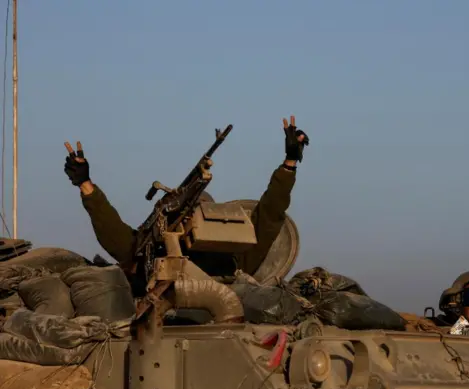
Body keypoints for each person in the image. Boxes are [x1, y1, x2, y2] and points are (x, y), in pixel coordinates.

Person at [63, 115, 310, 295]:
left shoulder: (236, 259)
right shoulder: (153, 254)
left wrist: (289, 162)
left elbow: (270, 212)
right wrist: (85, 184)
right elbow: (112, 231)